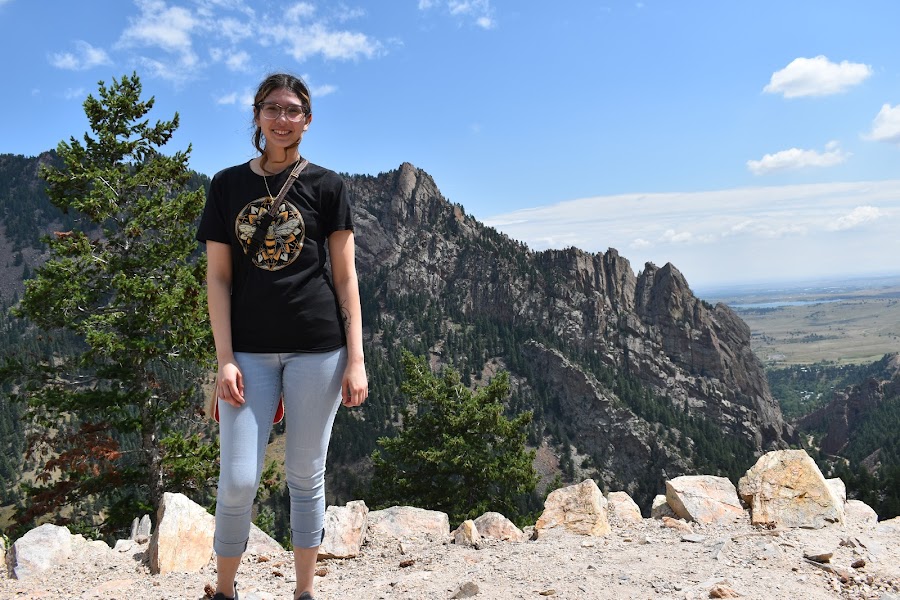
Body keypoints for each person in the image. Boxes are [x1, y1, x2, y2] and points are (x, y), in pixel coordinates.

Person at [196, 72, 368, 600]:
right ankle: (224, 591)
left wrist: (356, 359)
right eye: (272, 108)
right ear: (257, 115)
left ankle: (304, 592)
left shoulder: (328, 186)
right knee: (239, 479)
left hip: (319, 347)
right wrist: (224, 358)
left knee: (304, 474)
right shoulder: (227, 186)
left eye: (293, 109)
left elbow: (344, 277)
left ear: (307, 120)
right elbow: (218, 277)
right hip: (247, 351)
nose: (282, 118)